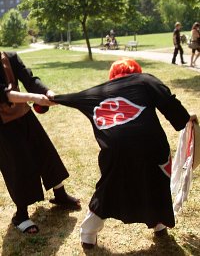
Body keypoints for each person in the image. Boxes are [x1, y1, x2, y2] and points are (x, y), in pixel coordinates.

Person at [53, 58, 197, 249]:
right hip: (152, 146)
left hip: (116, 150)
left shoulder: (97, 92)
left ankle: (88, 234)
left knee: (108, 188)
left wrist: (48, 100)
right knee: (156, 182)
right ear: (136, 71)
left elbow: (64, 98)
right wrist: (185, 119)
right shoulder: (145, 80)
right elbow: (168, 101)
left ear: (112, 76)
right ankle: (159, 224)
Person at [0, 51, 81, 234]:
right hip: (3, 125)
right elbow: (4, 95)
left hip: (24, 115)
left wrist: (46, 92)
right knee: (18, 165)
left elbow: (30, 80)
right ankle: (20, 215)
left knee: (45, 152)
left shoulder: (10, 57)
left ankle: (60, 195)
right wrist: (34, 98)